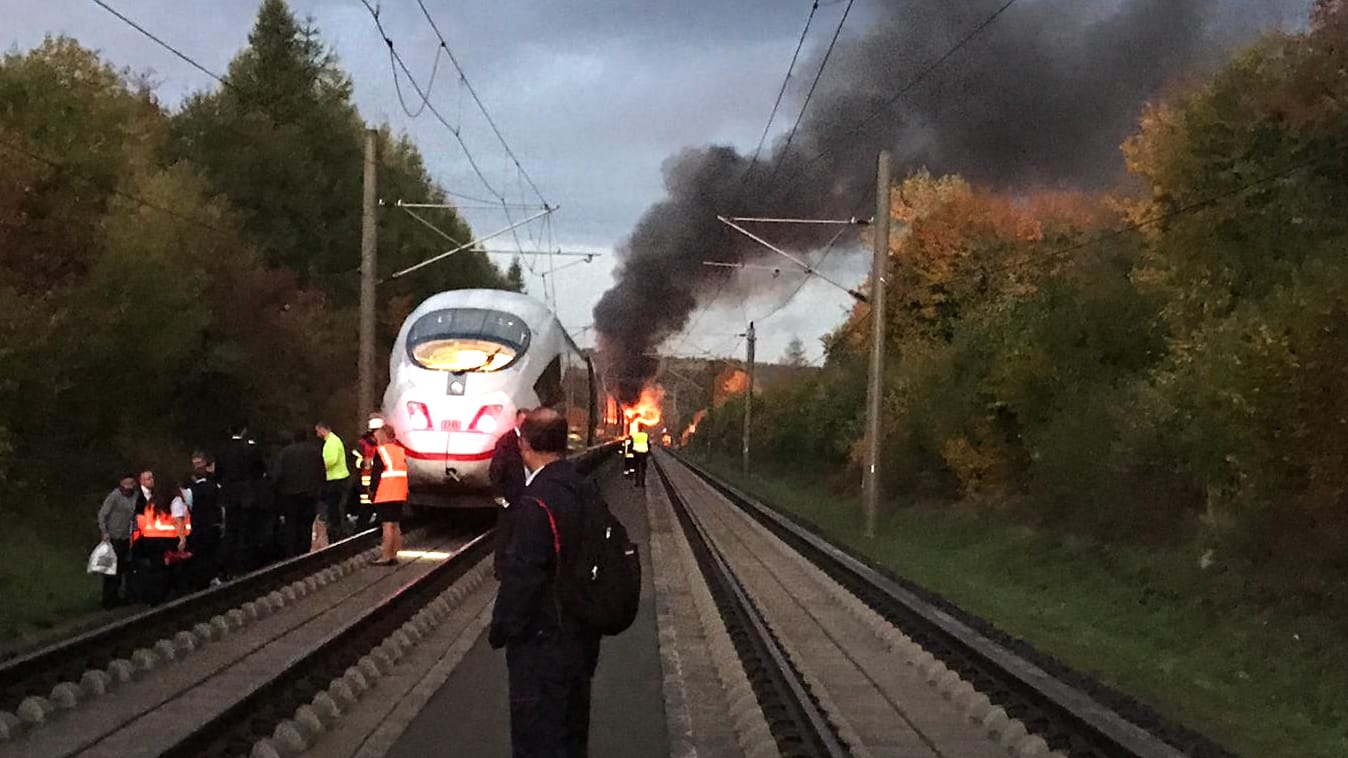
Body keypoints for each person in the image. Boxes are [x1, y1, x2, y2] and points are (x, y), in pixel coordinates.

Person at [489, 408, 602, 758]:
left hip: (543, 643)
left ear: (525, 446)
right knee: (572, 734)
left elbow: (523, 577)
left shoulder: (536, 500)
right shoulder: (586, 489)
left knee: (537, 740)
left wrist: (501, 629)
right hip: (582, 637)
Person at [216, 422, 268, 576]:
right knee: (246, 529)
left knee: (231, 529)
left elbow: (218, 473)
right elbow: (260, 471)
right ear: (244, 431)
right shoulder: (251, 448)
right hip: (247, 493)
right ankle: (244, 564)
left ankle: (228, 565)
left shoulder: (222, 450)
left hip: (229, 494)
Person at [132, 480, 191, 604]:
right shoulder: (174, 500)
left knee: (156, 567)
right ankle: (172, 594)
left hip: (149, 539)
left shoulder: (152, 502)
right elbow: (177, 520)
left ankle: (154, 597)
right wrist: (182, 538)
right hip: (168, 539)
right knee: (171, 567)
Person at [488, 408, 530, 578]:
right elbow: (496, 469)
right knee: (506, 532)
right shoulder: (506, 441)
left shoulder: (530, 440)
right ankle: (501, 569)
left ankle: (516, 564)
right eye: (523, 421)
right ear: (516, 421)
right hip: (510, 495)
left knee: (520, 531)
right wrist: (500, 496)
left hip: (525, 494)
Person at [272, 429, 326, 558]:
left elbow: (277, 475)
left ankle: (290, 554)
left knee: (291, 525)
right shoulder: (315, 452)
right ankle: (304, 553)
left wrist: (277, 492)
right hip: (310, 495)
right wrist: (320, 492)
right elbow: (321, 474)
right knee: (306, 526)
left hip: (290, 495)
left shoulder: (285, 453)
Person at [368, 418, 407, 565]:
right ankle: (394, 554)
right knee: (396, 524)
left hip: (386, 492)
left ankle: (385, 556)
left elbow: (376, 474)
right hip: (400, 491)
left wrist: (371, 490)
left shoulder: (381, 451)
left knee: (387, 525)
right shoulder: (400, 451)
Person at [96, 474, 139, 608]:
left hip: (127, 537)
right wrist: (104, 531)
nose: (128, 486)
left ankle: (121, 596)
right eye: (126, 483)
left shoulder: (136, 497)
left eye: (131, 483)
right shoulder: (114, 496)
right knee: (110, 570)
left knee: (123, 569)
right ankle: (108, 599)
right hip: (114, 536)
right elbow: (103, 514)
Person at [186, 451, 223, 587]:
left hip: (198, 525)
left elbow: (188, 508)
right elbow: (220, 506)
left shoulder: (190, 490)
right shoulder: (215, 487)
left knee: (201, 553)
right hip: (212, 524)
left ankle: (201, 579)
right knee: (212, 552)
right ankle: (212, 576)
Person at [315, 421, 351, 541]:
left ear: (322, 429)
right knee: (335, 506)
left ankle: (337, 532)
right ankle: (337, 529)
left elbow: (331, 460)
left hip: (336, 479)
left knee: (334, 507)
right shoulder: (333, 441)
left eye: (317, 431)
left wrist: (320, 469)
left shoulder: (331, 442)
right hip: (337, 478)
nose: (317, 433)